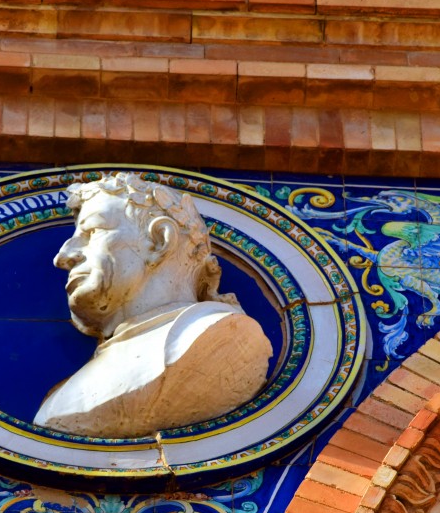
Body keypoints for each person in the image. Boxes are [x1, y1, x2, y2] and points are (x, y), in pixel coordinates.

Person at [34, 172, 272, 439]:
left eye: (93, 232)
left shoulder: (223, 338)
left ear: (159, 241)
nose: (63, 257)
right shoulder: (77, 384)